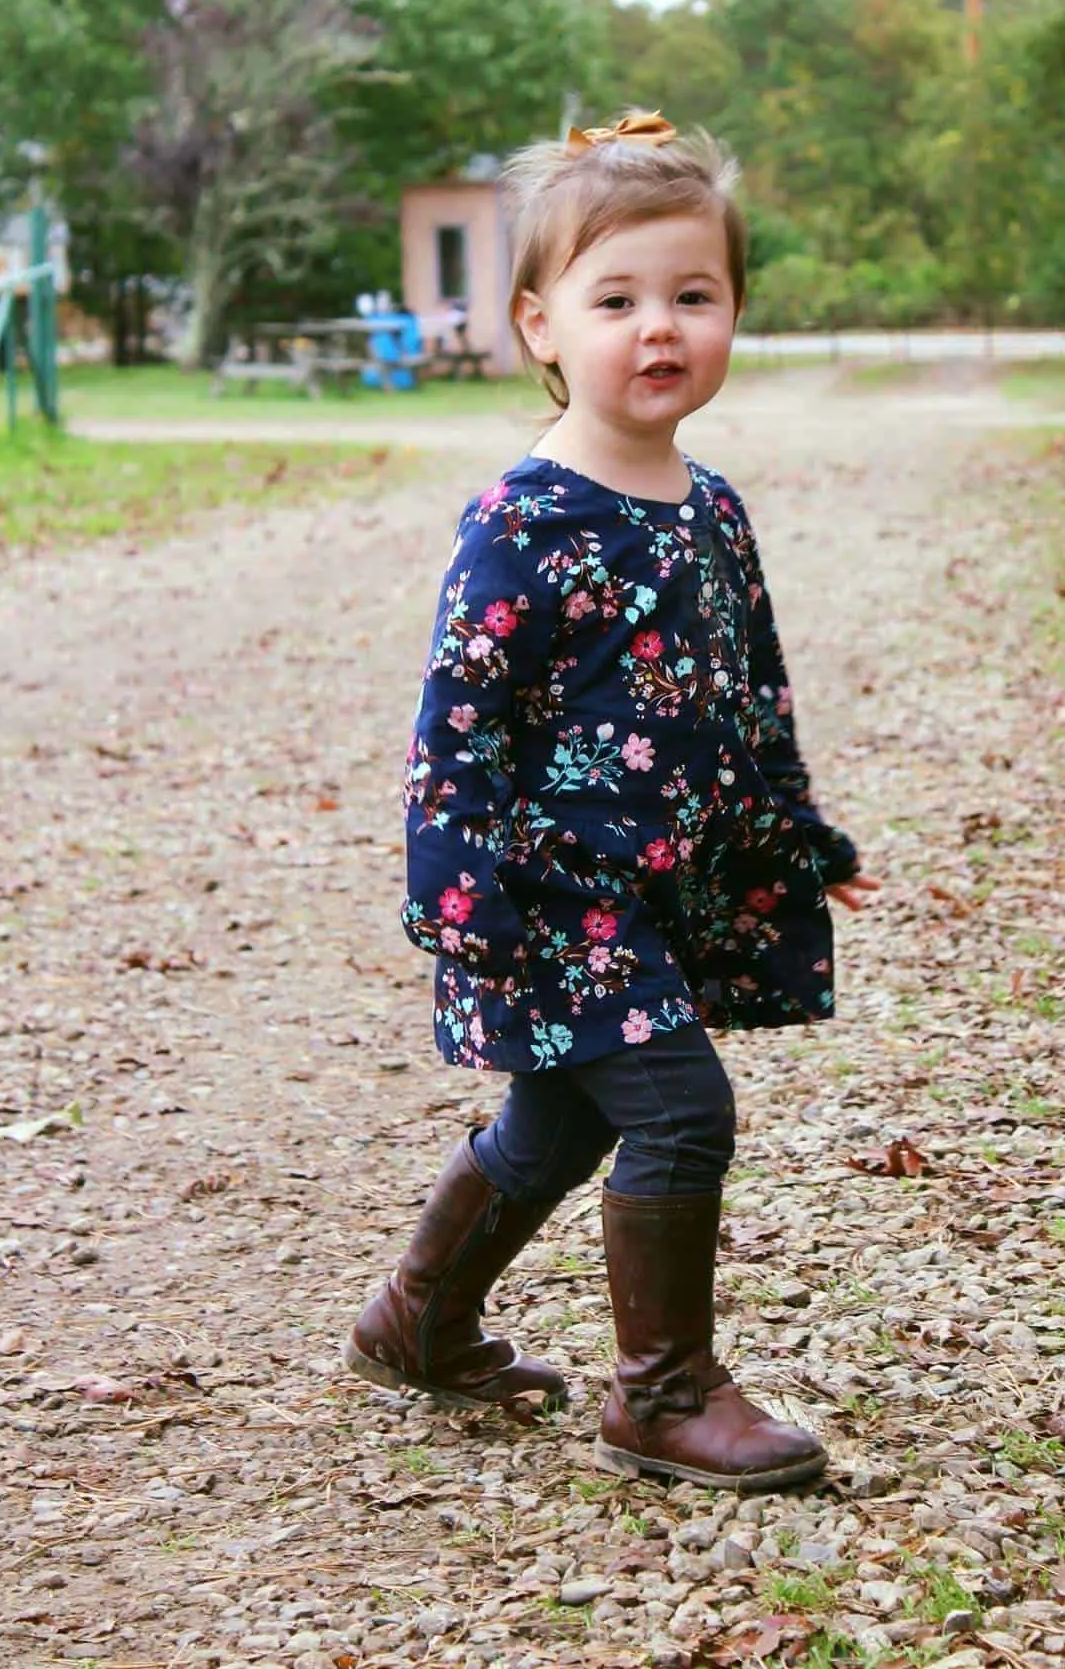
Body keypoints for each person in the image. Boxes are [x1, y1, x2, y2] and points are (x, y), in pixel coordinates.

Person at [345, 109, 876, 1492]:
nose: (660, 328)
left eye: (693, 297)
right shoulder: (523, 521)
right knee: (681, 1108)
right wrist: (458, 897)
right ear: (540, 325)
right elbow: (457, 725)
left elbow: (747, 696)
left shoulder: (710, 510)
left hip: (656, 895)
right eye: (618, 298)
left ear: (733, 315)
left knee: (559, 1122)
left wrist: (796, 837)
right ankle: (662, 1392)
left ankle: (417, 1320)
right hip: (545, 897)